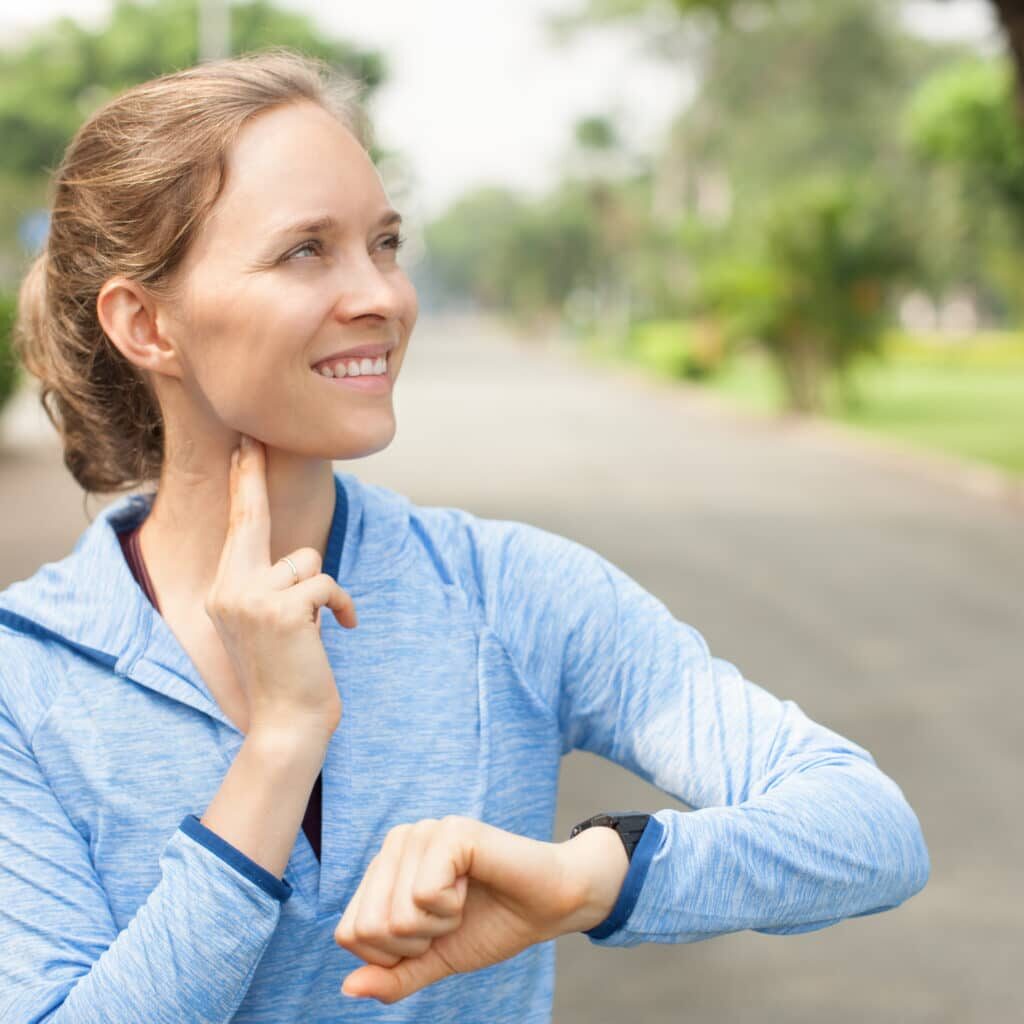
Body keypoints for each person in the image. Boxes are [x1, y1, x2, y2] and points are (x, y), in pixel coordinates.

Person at [0, 48, 929, 1023]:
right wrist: (278, 747)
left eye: (385, 242)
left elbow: (868, 830)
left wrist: (585, 878)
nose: (383, 297)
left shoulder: (506, 592)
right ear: (145, 324)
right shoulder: (28, 675)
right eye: (305, 250)